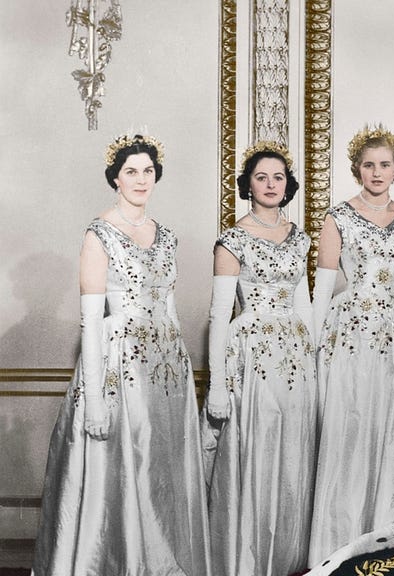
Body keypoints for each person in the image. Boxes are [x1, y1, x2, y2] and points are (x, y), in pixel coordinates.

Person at [33, 134, 210, 575]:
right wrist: (94, 400)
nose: (140, 179)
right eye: (131, 170)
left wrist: (181, 370)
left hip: (166, 374)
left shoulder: (167, 237)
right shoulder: (99, 234)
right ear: (115, 177)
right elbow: (91, 321)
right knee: (122, 474)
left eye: (148, 170)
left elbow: (168, 307)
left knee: (161, 475)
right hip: (118, 369)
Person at [201, 141, 317, 576]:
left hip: (295, 357)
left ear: (288, 186)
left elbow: (304, 305)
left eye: (279, 177)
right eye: (261, 177)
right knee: (255, 452)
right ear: (247, 185)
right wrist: (216, 386)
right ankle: (247, 560)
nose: (270, 184)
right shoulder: (232, 239)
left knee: (291, 456)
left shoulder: (300, 238)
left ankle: (287, 559)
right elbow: (218, 315)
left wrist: (315, 361)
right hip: (249, 356)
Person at [308, 125, 394, 562]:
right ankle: (340, 541)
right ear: (357, 169)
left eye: (385, 164)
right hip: (351, 333)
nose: (377, 172)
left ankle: (385, 539)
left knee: (393, 431)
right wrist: (315, 345)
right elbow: (321, 291)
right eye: (369, 164)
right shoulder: (337, 217)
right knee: (350, 427)